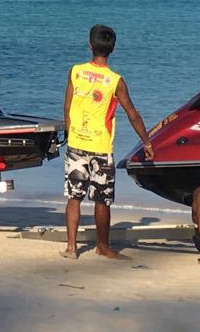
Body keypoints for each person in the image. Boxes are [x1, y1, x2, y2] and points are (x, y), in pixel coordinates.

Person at [62, 24, 154, 259]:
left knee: (74, 197)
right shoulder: (115, 81)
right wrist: (147, 141)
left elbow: (67, 106)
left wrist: (69, 133)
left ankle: (71, 248)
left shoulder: (76, 71)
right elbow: (132, 113)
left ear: (90, 46)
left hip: (76, 144)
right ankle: (102, 246)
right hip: (101, 148)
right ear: (112, 49)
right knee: (102, 199)